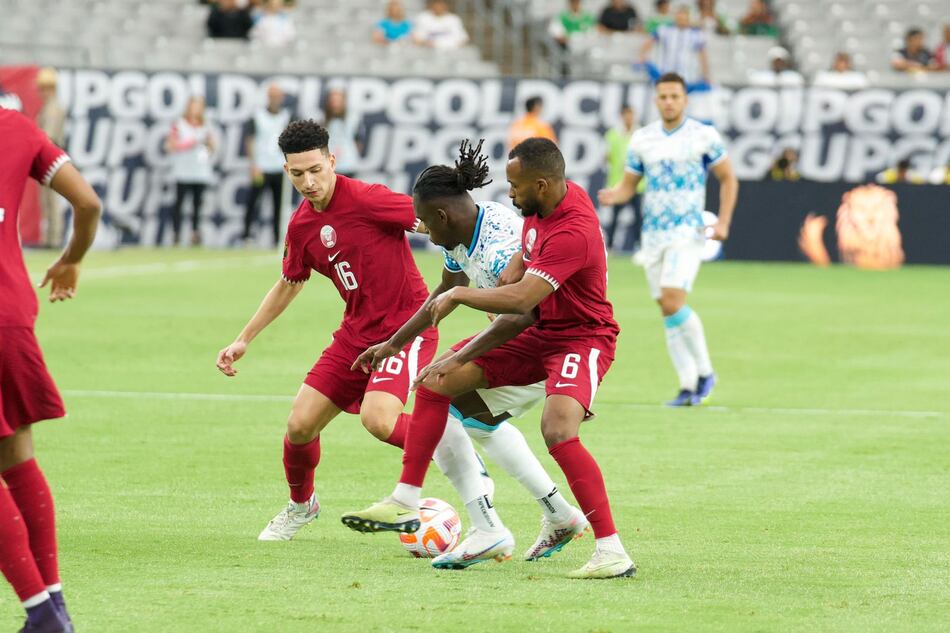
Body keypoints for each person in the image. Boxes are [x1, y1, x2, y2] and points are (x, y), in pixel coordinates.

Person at [342, 138, 636, 580]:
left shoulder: (572, 228)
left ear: (541, 183)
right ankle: (416, 501)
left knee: (556, 429)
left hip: (580, 337)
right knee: (438, 385)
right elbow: (510, 273)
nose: (508, 193)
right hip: (538, 331)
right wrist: (395, 344)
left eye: (515, 185)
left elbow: (520, 304)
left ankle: (611, 550)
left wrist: (466, 313)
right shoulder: (541, 209)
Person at [215, 120, 505, 546]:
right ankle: (301, 506)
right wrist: (244, 338)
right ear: (286, 171)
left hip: (407, 328)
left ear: (332, 160)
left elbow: (442, 225)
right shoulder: (301, 227)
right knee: (299, 426)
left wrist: (493, 287)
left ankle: (464, 459)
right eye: (297, 174)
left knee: (378, 419)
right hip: (355, 336)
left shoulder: (369, 200)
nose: (308, 182)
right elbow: (289, 283)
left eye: (316, 169)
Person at [1, 108, 101, 633]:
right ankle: (55, 606)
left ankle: (41, 613)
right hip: (13, 314)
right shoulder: (18, 128)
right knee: (16, 455)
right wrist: (71, 258)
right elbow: (87, 202)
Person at [598, 73, 738, 406]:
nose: (669, 102)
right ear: (656, 100)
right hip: (653, 235)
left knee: (673, 299)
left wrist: (724, 221)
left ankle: (705, 372)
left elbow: (728, 178)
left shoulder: (704, 136)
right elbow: (629, 186)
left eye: (675, 96)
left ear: (685, 99)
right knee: (666, 308)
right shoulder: (643, 139)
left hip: (686, 232)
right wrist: (612, 196)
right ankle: (688, 385)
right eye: (663, 96)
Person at [160, 96, 215, 247]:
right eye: (193, 106)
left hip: (200, 171)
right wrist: (189, 144)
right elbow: (170, 146)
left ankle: (195, 234)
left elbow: (213, 146)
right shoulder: (179, 124)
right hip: (183, 171)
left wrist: (208, 147)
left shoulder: (206, 125)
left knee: (197, 205)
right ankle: (176, 234)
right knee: (179, 203)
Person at [244, 83, 291, 247]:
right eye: (272, 96)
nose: (274, 99)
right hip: (261, 167)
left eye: (277, 96)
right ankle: (247, 236)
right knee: (253, 201)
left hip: (280, 167)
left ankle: (277, 238)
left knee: (279, 204)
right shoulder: (258, 116)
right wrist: (253, 164)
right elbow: (250, 140)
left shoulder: (287, 116)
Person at [603, 105, 642, 251]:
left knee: (638, 216)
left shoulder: (641, 134)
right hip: (617, 184)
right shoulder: (612, 134)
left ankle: (640, 247)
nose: (629, 117)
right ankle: (611, 246)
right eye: (626, 114)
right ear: (622, 115)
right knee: (614, 217)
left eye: (631, 114)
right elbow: (606, 156)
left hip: (637, 184)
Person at [36, 68, 67, 249]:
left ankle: (54, 239)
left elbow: (49, 136)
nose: (40, 92)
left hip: (51, 159)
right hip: (46, 159)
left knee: (52, 200)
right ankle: (49, 237)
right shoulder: (49, 107)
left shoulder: (54, 108)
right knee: (46, 200)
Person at [640, 5, 710, 85]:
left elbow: (703, 55)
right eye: (679, 14)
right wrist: (642, 56)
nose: (681, 18)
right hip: (666, 72)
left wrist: (706, 73)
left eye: (684, 15)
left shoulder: (696, 34)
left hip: (687, 75)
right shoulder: (665, 29)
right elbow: (649, 41)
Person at [322, 87, 365, 178]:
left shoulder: (353, 119)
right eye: (333, 101)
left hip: (348, 165)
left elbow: (359, 141)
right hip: (329, 166)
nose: (336, 104)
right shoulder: (321, 120)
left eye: (338, 101)